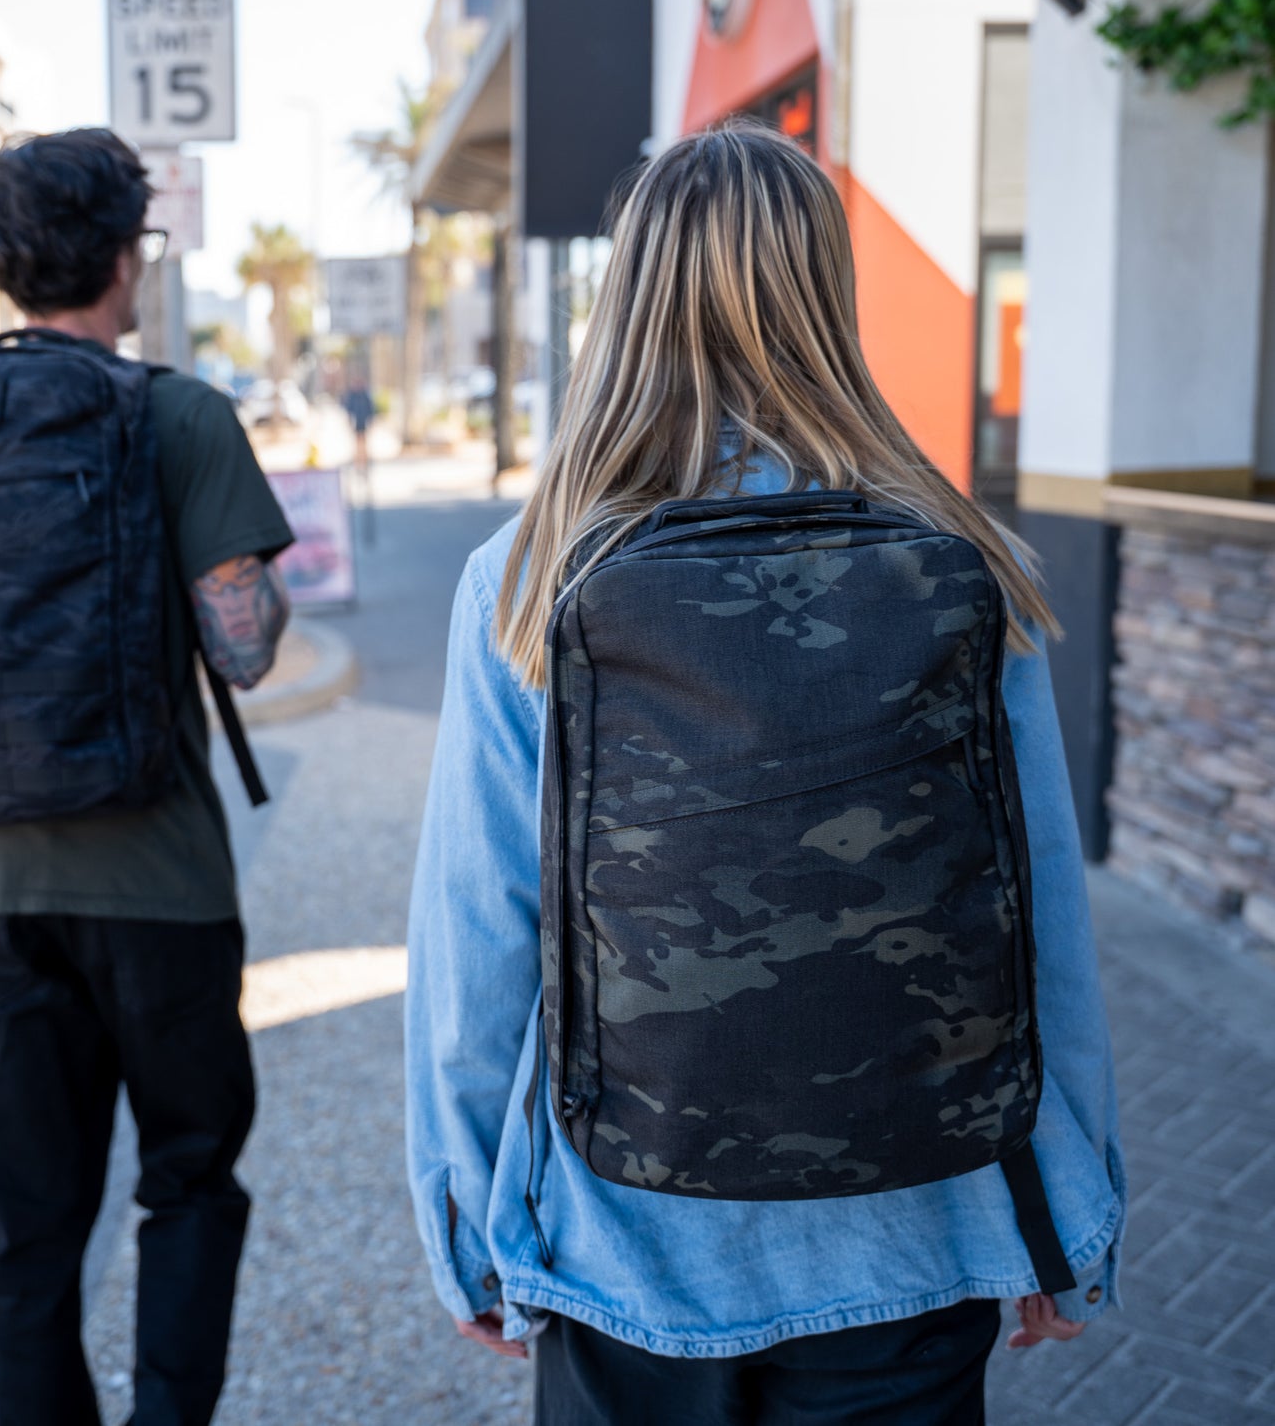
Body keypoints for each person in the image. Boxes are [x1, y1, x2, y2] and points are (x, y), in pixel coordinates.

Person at [404, 124, 1124, 1424]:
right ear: (824, 300)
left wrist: (468, 1218)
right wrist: (1070, 1198)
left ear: (628, 303)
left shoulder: (528, 578)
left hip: (628, 1236)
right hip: (920, 1225)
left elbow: (479, 937)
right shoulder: (967, 557)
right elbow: (1042, 914)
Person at [0, 130, 295, 1426]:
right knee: (190, 1183)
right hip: (161, 888)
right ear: (119, 255)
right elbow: (245, 651)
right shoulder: (179, 413)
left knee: (33, 1230)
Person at [342, 372, 377, 473]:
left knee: (363, 444)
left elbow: (370, 409)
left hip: (363, 422)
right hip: (356, 422)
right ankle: (358, 463)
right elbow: (349, 409)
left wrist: (370, 421)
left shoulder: (365, 395)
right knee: (358, 444)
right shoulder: (353, 395)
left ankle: (364, 462)